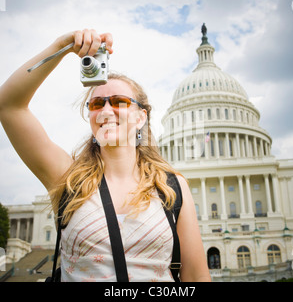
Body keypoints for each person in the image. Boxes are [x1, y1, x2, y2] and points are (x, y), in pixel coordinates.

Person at [0, 29, 211, 282]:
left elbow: (196, 275)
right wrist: (62, 47)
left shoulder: (171, 186)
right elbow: (8, 106)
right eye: (97, 104)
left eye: (119, 101)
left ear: (141, 116)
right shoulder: (67, 178)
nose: (106, 110)